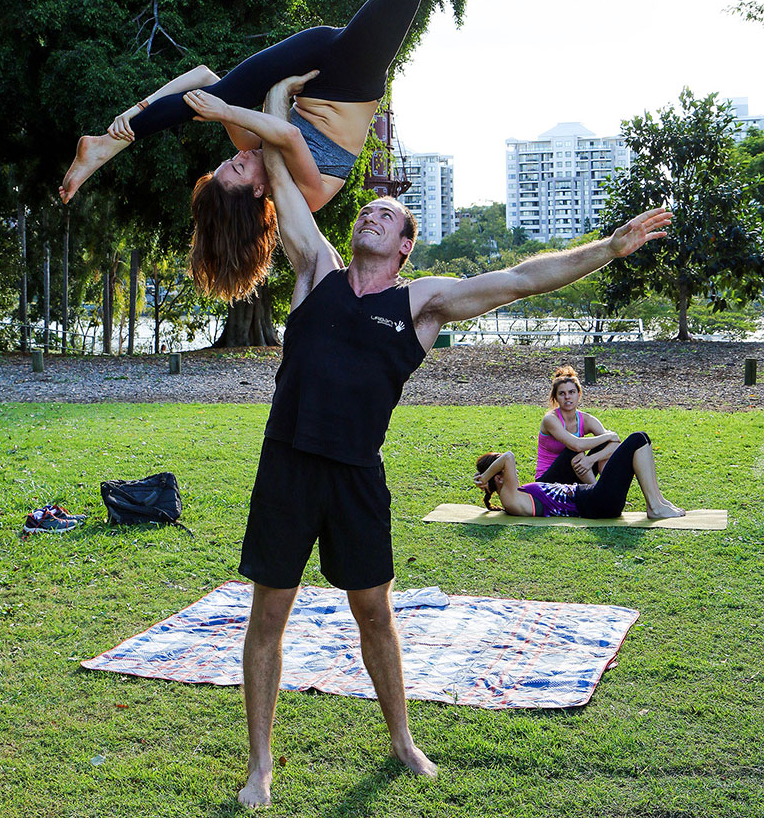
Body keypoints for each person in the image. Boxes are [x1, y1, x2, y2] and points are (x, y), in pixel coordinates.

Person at [234, 61, 672, 806]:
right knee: (268, 612)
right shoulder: (318, 269)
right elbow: (277, 175)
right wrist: (276, 107)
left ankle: (402, 740)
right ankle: (261, 764)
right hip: (287, 466)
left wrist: (608, 247)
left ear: (406, 247)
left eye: (388, 219)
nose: (371, 215)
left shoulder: (422, 303)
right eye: (366, 212)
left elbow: (521, 279)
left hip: (355, 476)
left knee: (374, 610)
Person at [58, 0, 529, 302]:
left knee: (213, 98)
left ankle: (106, 146)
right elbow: (289, 137)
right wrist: (224, 112)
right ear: (259, 192)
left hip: (313, 61)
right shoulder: (299, 198)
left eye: (229, 162)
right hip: (352, 78)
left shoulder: (250, 145)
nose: (237, 157)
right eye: (237, 170)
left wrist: (138, 113)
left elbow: (201, 77)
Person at [474, 436, 685, 520]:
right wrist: (485, 476)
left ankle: (658, 502)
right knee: (637, 439)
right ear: (499, 478)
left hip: (595, 499)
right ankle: (654, 508)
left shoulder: (517, 494)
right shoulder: (510, 498)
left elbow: (506, 460)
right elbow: (508, 457)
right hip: (596, 501)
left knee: (643, 440)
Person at [535, 364, 622, 485]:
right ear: (555, 398)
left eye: (571, 392)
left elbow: (616, 443)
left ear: (579, 394)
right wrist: (608, 435)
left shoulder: (586, 419)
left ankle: (605, 488)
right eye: (562, 393)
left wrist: (591, 459)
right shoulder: (550, 419)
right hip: (547, 481)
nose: (567, 397)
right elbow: (576, 445)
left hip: (575, 473)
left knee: (604, 446)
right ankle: (595, 492)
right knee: (573, 451)